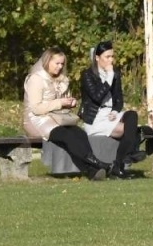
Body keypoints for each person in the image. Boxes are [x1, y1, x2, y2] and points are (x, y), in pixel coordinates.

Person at [23, 47, 109, 180]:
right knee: (66, 136)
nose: (59, 67)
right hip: (37, 120)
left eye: (62, 64)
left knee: (79, 133)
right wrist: (60, 103)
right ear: (47, 61)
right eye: (56, 63)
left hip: (57, 118)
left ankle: (92, 171)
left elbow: (63, 102)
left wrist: (70, 102)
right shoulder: (36, 79)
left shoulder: (62, 80)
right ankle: (96, 163)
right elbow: (36, 109)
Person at [78, 41, 145, 179]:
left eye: (112, 57)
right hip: (95, 117)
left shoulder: (115, 74)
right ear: (97, 58)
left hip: (110, 114)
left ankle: (120, 162)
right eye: (107, 57)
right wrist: (109, 76)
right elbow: (97, 96)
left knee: (132, 115)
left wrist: (115, 111)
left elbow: (118, 99)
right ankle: (124, 159)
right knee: (130, 130)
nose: (110, 60)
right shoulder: (87, 75)